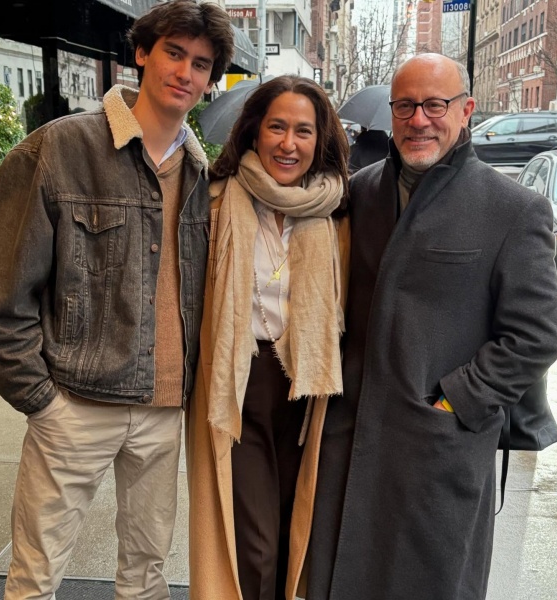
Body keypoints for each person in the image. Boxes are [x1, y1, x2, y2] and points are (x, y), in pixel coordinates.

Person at [0, 2, 234, 598]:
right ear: (141, 52)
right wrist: (40, 399)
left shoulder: (201, 173)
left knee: (146, 574)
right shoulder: (61, 149)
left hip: (166, 408)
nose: (185, 72)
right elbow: (1, 293)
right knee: (36, 574)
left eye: (200, 63)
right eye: (173, 52)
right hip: (76, 402)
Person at [306, 53, 557, 600]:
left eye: (434, 105)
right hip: (349, 445)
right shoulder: (358, 194)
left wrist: (452, 401)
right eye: (405, 106)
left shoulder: (514, 210)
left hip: (439, 450)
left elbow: (533, 338)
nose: (419, 119)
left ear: (466, 110)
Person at [186, 76, 349, 600]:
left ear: (319, 139)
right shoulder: (216, 203)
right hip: (241, 386)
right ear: (254, 130)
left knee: (291, 531)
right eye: (277, 127)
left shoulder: (336, 213)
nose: (288, 143)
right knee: (255, 543)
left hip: (310, 391)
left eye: (303, 130)